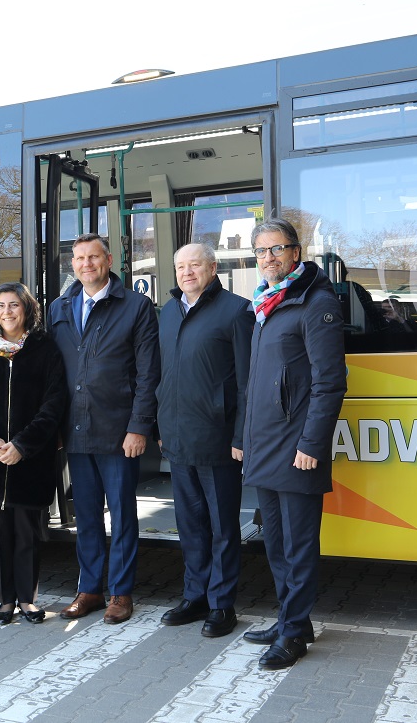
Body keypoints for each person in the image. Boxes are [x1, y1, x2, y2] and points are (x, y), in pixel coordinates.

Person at [241, 218, 346, 670]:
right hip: (265, 444)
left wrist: (312, 444)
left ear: (296, 253)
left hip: (297, 448)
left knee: (299, 547)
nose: (269, 257)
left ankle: (294, 633)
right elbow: (258, 384)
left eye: (277, 249)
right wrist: (243, 439)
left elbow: (330, 383)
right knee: (276, 544)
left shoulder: (315, 303)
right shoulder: (267, 304)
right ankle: (290, 620)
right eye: (261, 251)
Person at [48, 233, 160, 624]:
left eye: (93, 257)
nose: (86, 264)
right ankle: (90, 590)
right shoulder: (60, 307)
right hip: (75, 430)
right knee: (87, 516)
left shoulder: (136, 307)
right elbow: (53, 373)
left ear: (108, 260)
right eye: (79, 258)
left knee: (123, 515)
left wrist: (139, 426)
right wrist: (54, 425)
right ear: (73, 265)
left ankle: (121, 593)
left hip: (118, 432)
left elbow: (148, 373)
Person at [0, 283, 68, 625]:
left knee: (27, 532)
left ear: (27, 309)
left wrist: (22, 445)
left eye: (14, 305)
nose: (7, 311)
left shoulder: (45, 349)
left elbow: (53, 404)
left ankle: (28, 600)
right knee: (0, 534)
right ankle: (5, 600)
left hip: (30, 460)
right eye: (1, 306)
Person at [156, 243, 253, 638]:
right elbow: (162, 374)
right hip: (178, 438)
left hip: (219, 440)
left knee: (223, 527)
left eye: (194, 265)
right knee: (190, 525)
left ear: (213, 268)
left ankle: (222, 604)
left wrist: (240, 435)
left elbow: (247, 382)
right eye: (180, 266)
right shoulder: (168, 311)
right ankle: (195, 596)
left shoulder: (237, 311)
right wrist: (161, 426)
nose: (187, 272)